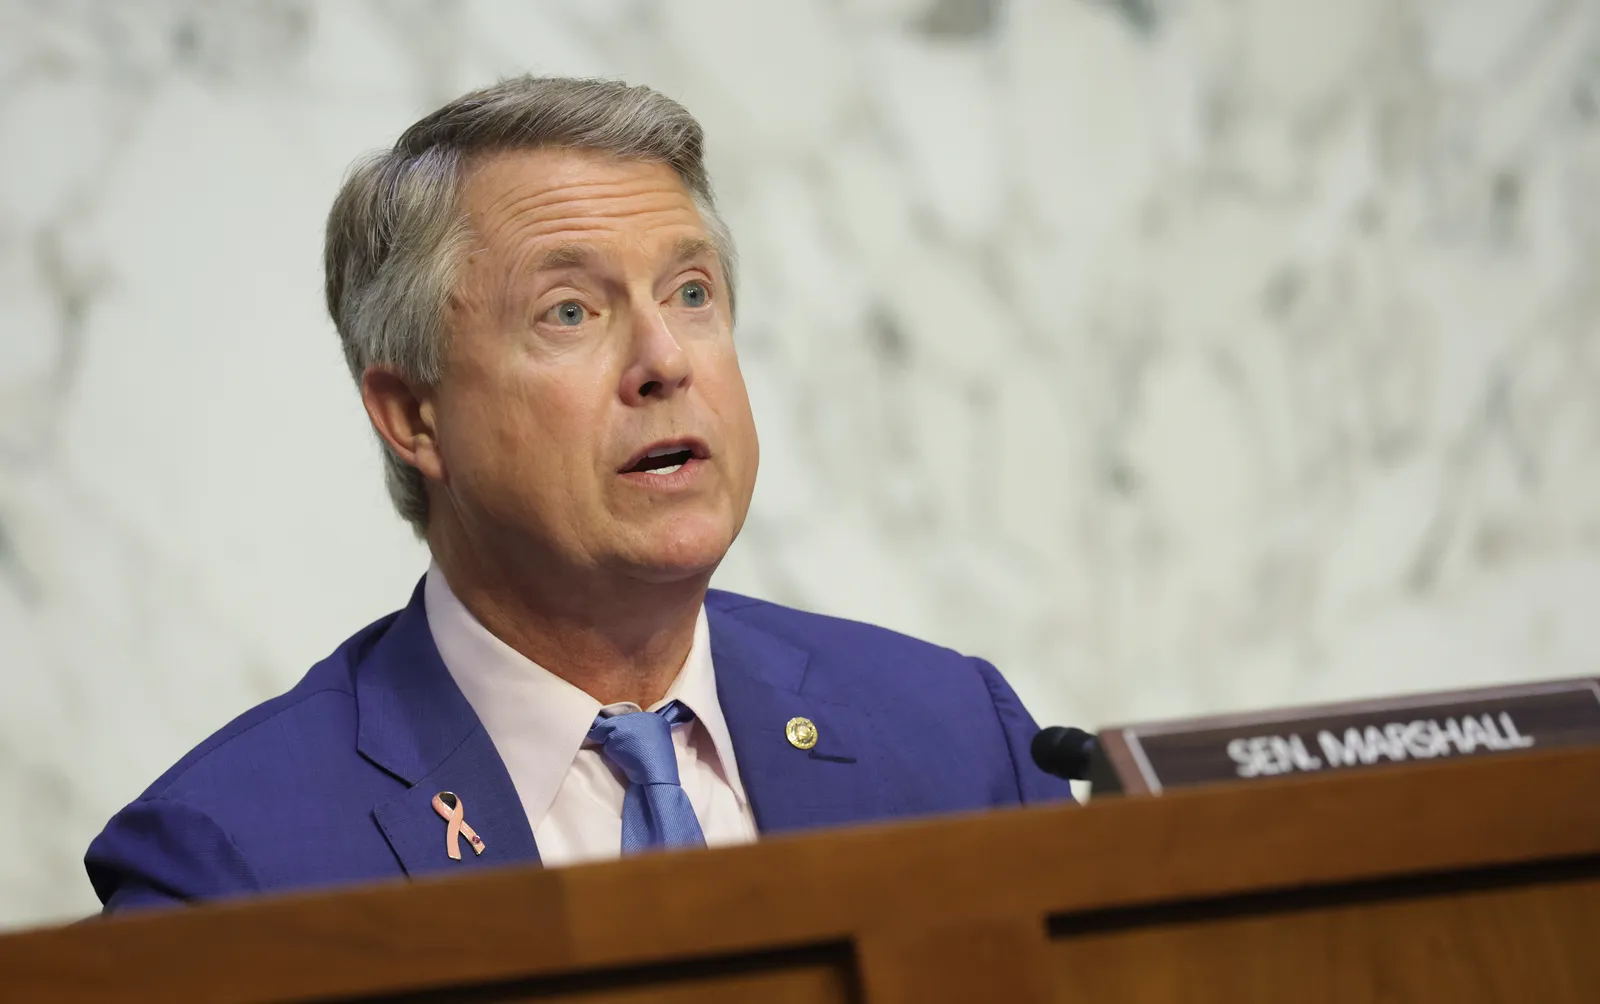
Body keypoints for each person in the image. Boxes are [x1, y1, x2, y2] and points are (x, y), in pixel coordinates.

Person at [85, 76, 1072, 911]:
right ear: (412, 414)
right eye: (571, 310)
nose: (663, 359)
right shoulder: (232, 862)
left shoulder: (958, 738)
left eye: (690, 292)